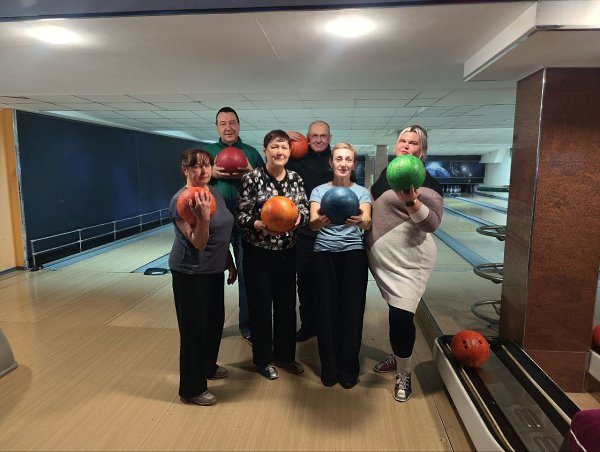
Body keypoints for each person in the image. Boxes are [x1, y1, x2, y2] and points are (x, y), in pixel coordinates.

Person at [365, 125, 443, 402]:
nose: (406, 146)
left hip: (410, 260)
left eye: (413, 142)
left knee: (401, 316)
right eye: (402, 141)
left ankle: (404, 372)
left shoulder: (429, 184)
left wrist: (412, 202)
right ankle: (398, 357)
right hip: (383, 259)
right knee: (395, 311)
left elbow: (432, 224)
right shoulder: (387, 175)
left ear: (422, 151)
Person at [236, 130, 309, 380]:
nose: (280, 152)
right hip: (258, 255)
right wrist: (258, 224)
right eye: (275, 147)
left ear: (290, 152)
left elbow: (304, 209)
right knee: (261, 308)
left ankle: (285, 356)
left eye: (284, 147)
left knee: (286, 308)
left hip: (287, 253)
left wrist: (299, 218)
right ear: (265, 150)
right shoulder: (252, 178)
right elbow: (241, 215)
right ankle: (263, 360)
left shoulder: (295, 179)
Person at [169, 148, 237, 406]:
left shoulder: (214, 192)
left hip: (213, 269)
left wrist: (229, 260)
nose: (203, 170)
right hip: (190, 272)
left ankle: (208, 367)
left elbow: (222, 231)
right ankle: (192, 389)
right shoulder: (181, 200)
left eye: (207, 165)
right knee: (194, 331)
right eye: (196, 166)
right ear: (185, 170)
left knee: (213, 323)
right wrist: (202, 218)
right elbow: (198, 242)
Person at [309, 142, 372, 388]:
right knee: (325, 312)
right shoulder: (319, 191)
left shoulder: (362, 192)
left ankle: (348, 367)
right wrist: (321, 220)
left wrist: (360, 220)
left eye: (348, 159)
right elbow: (313, 224)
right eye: (339, 159)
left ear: (353, 164)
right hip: (323, 254)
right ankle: (329, 366)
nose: (343, 164)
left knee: (352, 312)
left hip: (353, 255)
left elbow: (367, 222)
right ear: (331, 162)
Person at [205, 107, 263, 345]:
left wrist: (251, 172)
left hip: (245, 220)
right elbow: (191, 180)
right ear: (217, 127)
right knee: (211, 274)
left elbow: (266, 183)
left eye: (232, 122)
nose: (228, 127)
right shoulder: (207, 153)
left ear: (238, 125)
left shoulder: (251, 152)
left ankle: (247, 325)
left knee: (247, 274)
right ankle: (212, 325)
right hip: (215, 221)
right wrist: (210, 173)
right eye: (223, 123)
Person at [286, 121, 334, 342]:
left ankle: (328, 325)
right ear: (307, 138)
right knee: (304, 282)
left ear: (329, 138)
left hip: (331, 233)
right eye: (314, 135)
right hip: (304, 234)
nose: (318, 140)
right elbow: (274, 163)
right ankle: (308, 326)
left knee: (328, 283)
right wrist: (284, 139)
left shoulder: (336, 161)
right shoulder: (296, 161)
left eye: (323, 136)